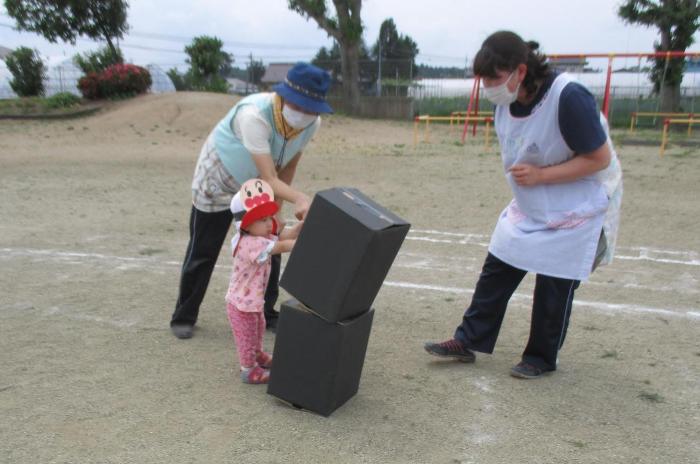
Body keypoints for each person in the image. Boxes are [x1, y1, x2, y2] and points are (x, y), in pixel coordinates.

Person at [424, 31, 623, 379]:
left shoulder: (568, 97)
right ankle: (468, 339)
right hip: (534, 198)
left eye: (494, 79)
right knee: (500, 259)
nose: (487, 87)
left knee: (555, 280)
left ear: (520, 70)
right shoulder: (507, 100)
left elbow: (599, 159)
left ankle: (541, 357)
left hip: (580, 198)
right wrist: (534, 180)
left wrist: (542, 176)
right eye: (482, 79)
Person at [170, 62, 333, 339]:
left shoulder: (311, 124)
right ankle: (184, 316)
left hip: (260, 183)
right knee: (203, 249)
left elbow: (289, 166)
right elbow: (270, 177)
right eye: (300, 105)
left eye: (311, 108)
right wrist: (301, 199)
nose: (305, 114)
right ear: (283, 96)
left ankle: (267, 312)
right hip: (219, 179)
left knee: (271, 243)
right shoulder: (254, 115)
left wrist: (278, 210)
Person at [226, 179, 301, 384]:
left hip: (252, 301)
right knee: (247, 336)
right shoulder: (250, 243)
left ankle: (257, 355)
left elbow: (285, 235)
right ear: (246, 225)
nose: (269, 223)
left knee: (258, 328)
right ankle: (248, 369)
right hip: (241, 305)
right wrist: (296, 243)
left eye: (270, 218)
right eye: (262, 219)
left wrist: (303, 225)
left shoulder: (261, 235)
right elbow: (282, 246)